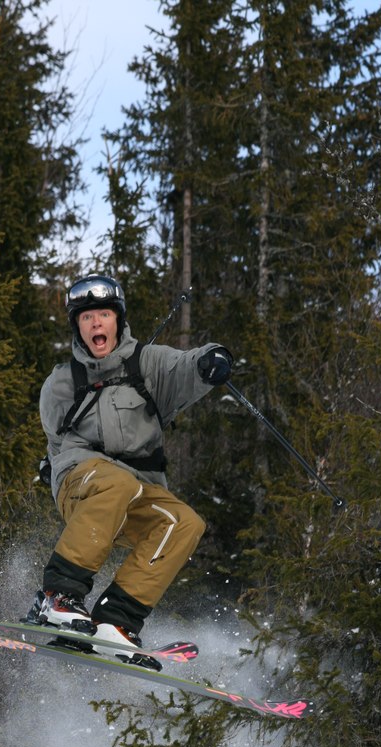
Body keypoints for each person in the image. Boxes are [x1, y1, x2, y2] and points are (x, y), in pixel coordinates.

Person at [31, 273, 232, 665]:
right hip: (82, 482)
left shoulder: (148, 363)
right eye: (86, 318)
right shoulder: (61, 382)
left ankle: (116, 621)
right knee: (116, 483)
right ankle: (58, 596)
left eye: (103, 315)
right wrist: (52, 469)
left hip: (136, 491)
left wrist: (212, 360)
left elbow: (186, 367)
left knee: (184, 522)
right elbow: (55, 440)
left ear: (117, 320)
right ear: (77, 326)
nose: (95, 324)